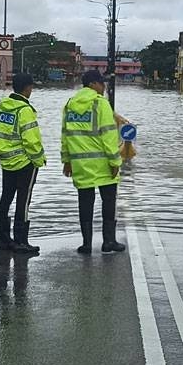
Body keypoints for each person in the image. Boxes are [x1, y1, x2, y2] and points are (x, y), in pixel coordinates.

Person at [61, 69, 125, 254]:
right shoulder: (100, 104)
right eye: (101, 83)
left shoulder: (70, 105)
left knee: (85, 202)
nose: (104, 87)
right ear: (93, 84)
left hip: (80, 164)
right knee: (109, 201)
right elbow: (108, 136)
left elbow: (65, 135)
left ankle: (86, 244)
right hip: (103, 164)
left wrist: (67, 160)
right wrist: (115, 162)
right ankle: (108, 242)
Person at [0, 73, 45, 254]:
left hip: (6, 160)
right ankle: (21, 241)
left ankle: (3, 239)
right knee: (23, 201)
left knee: (6, 198)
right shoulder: (24, 110)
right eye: (31, 87)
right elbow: (31, 140)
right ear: (26, 88)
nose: (32, 90)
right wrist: (39, 160)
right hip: (24, 163)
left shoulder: (1, 107)